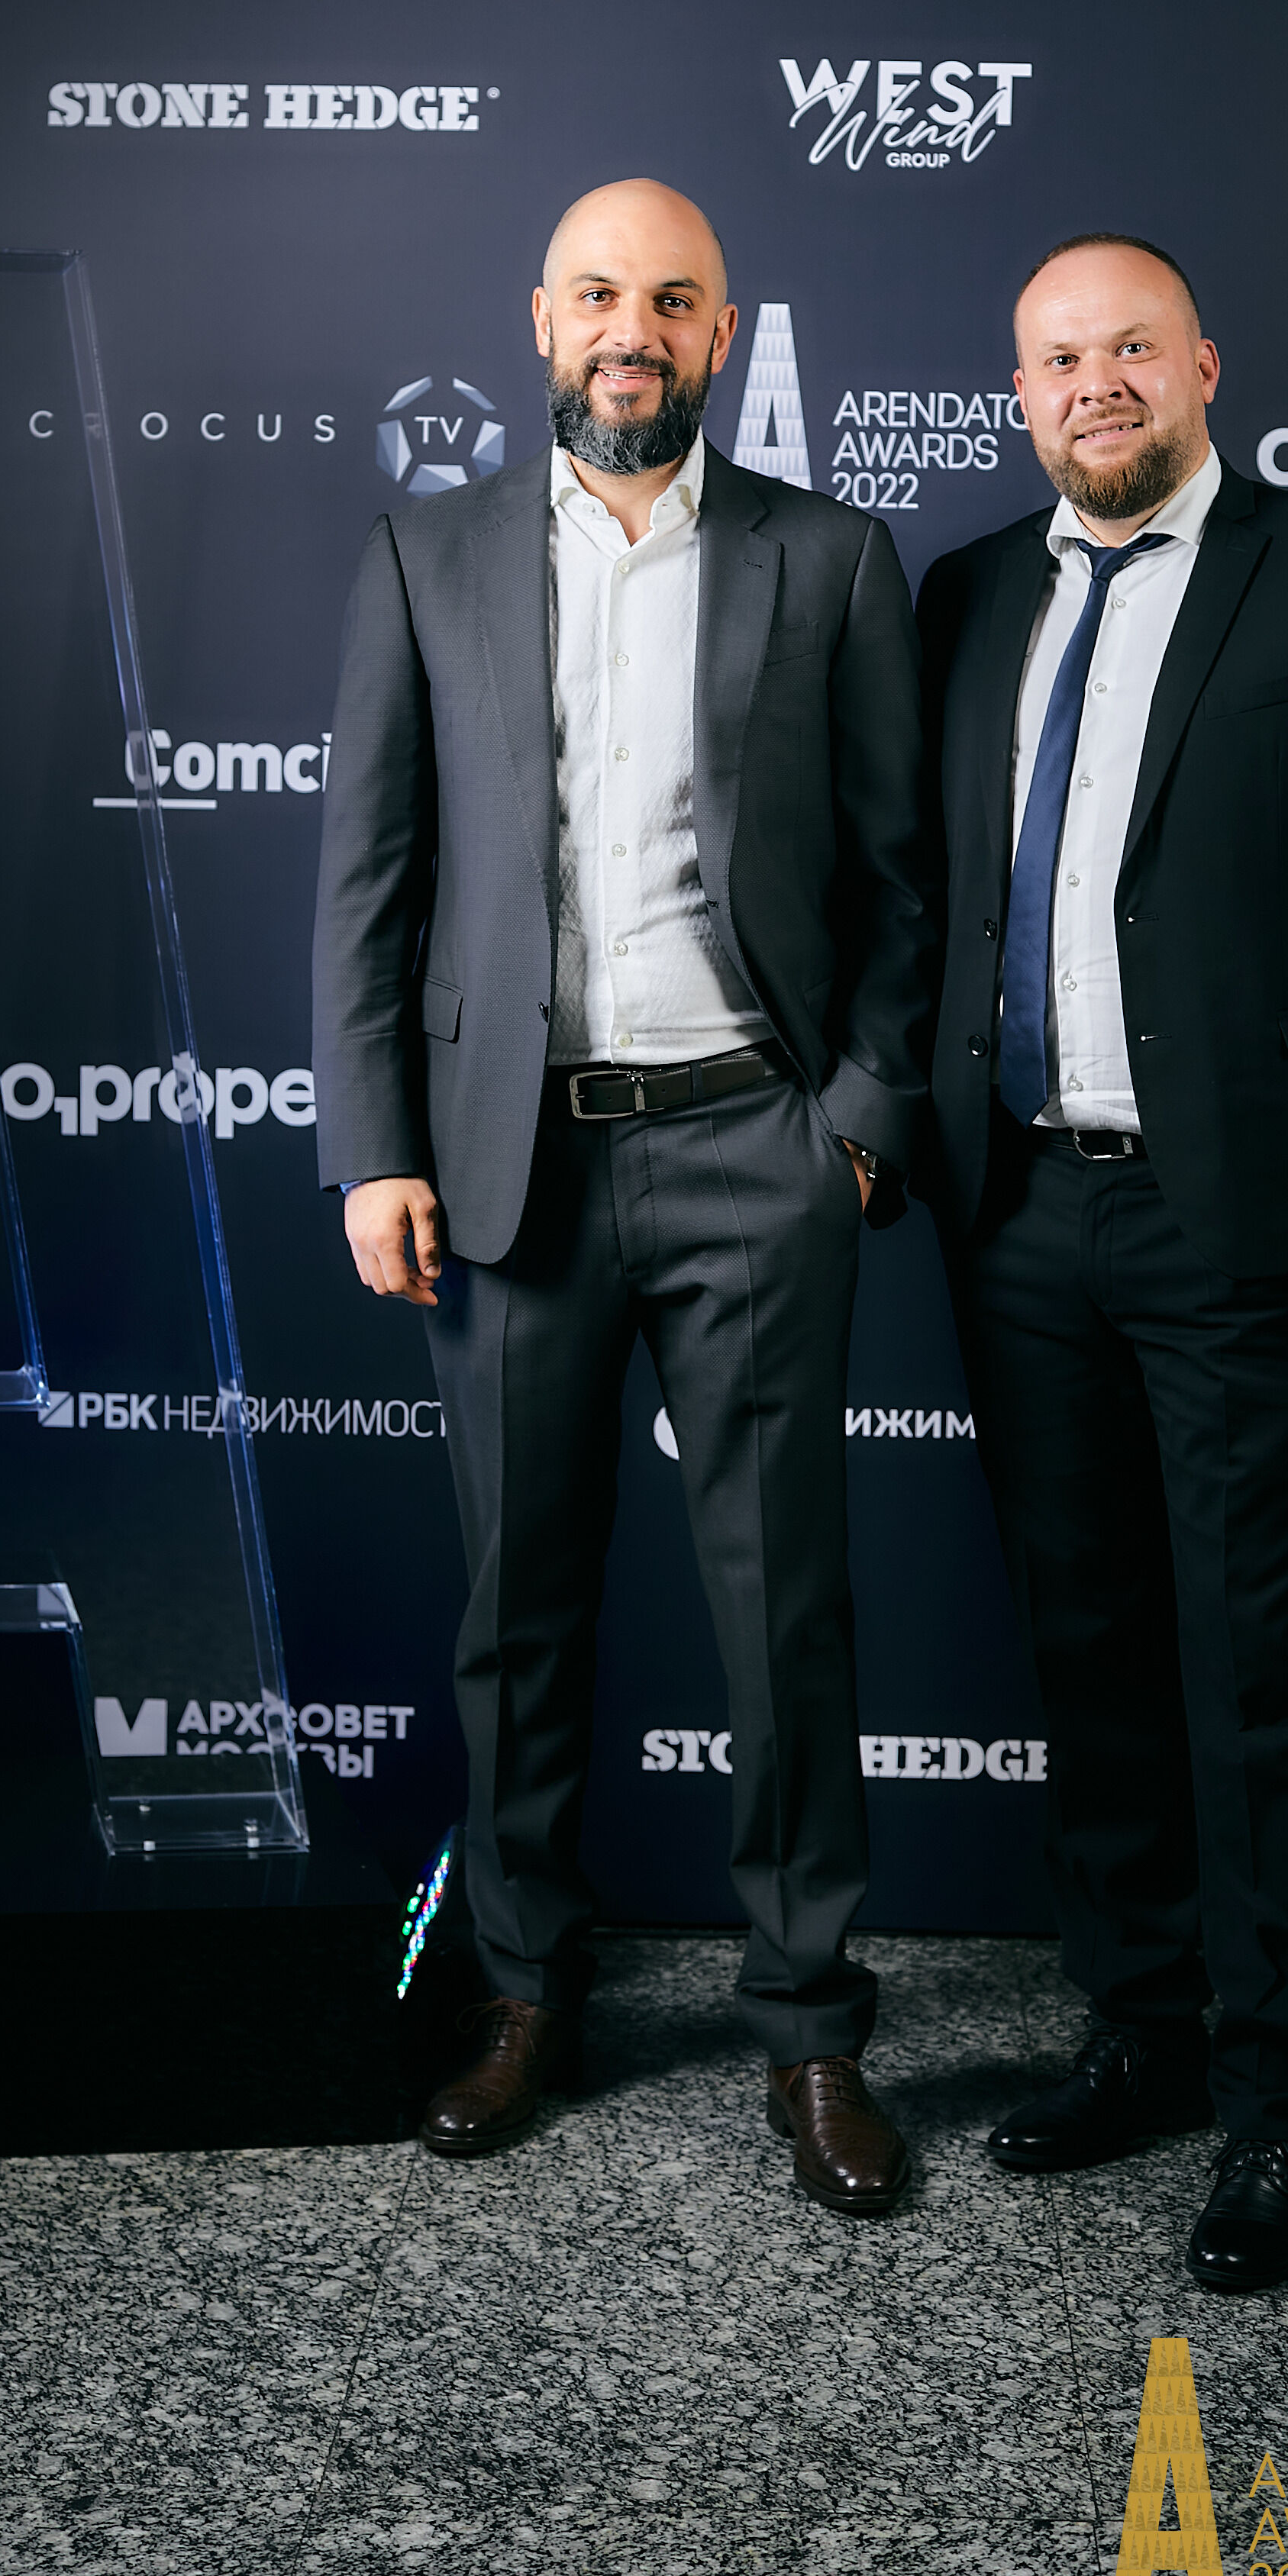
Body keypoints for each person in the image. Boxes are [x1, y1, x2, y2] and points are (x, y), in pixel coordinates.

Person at [312, 180, 939, 2211]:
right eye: (598, 295)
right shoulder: (426, 556)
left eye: (670, 300)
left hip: (756, 1143)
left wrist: (858, 1117)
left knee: (784, 1609)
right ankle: (524, 1994)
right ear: (540, 319)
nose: (630, 331)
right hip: (512, 1165)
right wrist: (375, 1143)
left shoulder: (829, 557)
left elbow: (901, 878)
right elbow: (370, 877)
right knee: (518, 1614)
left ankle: (811, 2023)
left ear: (719, 331)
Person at [918, 234, 1288, 2288]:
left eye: (1129, 349)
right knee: (1086, 1648)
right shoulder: (968, 594)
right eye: (1055, 357)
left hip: (1241, 1210)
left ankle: (1274, 2103)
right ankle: (1139, 2032)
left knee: (1256, 1666)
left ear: (1202, 369)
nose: (1093, 383)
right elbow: (921, 886)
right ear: (1020, 393)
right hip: (1016, 1204)